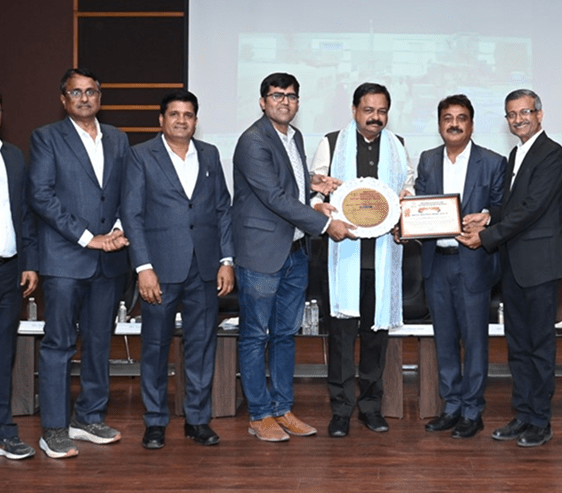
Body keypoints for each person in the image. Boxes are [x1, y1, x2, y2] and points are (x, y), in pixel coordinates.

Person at [233, 73, 354, 443]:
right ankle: (259, 414)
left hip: (295, 252)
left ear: (298, 102)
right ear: (262, 101)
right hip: (262, 253)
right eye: (276, 95)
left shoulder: (294, 136)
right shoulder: (253, 140)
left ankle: (283, 408)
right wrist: (325, 224)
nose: (284, 101)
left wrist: (314, 190)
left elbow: (289, 186)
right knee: (255, 336)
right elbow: (273, 197)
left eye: (290, 96)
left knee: (286, 335)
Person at [121, 90, 235, 449]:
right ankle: (155, 421)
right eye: (174, 114)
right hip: (159, 269)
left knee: (201, 346)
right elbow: (132, 215)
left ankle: (197, 420)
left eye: (188, 115)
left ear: (196, 121)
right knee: (155, 347)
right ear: (161, 120)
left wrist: (226, 260)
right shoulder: (141, 155)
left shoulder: (210, 154)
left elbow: (222, 208)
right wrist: (143, 267)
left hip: (205, 267)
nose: (181, 120)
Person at [28, 68, 130, 459]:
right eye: (76, 92)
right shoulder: (46, 137)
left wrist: (118, 230)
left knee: (99, 343)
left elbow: (127, 192)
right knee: (58, 345)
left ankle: (88, 417)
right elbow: (41, 196)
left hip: (110, 260)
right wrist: (89, 238)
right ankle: (54, 429)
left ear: (100, 97)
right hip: (65, 259)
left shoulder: (118, 138)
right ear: (63, 99)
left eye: (91, 91)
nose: (84, 98)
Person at [458, 89, 562, 447]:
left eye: (525, 112)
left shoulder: (551, 153)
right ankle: (523, 414)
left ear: (539, 114)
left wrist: (486, 236)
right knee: (518, 346)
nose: (518, 119)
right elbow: (513, 205)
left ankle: (540, 421)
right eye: (512, 114)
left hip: (539, 267)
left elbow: (533, 208)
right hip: (515, 266)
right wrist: (488, 216)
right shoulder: (516, 154)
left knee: (540, 347)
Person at [310, 82, 415, 438]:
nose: (375, 117)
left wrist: (406, 201)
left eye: (382, 111)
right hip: (343, 257)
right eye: (368, 110)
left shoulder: (398, 146)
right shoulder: (331, 143)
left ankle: (371, 407)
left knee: (375, 338)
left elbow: (408, 188)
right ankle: (341, 411)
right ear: (354, 110)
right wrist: (320, 206)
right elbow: (314, 193)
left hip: (382, 258)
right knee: (341, 339)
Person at [415, 94, 505, 439]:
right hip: (436, 262)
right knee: (445, 339)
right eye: (447, 118)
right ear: (440, 124)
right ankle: (451, 406)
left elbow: (502, 207)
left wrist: (489, 218)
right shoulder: (427, 160)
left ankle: (472, 410)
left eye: (461, 118)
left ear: (471, 123)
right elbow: (419, 206)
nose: (454, 124)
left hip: (473, 263)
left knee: (475, 341)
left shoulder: (492, 162)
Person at [0, 92, 39, 460]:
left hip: (9, 271)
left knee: (3, 353)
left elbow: (24, 215)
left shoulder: (12, 156)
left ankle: (3, 432)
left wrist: (29, 262)